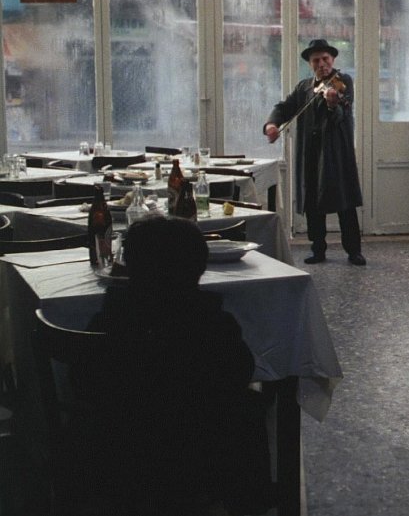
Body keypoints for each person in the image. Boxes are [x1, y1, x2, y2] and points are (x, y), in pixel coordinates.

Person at [75, 216, 273, 516]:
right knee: (247, 410)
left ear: (128, 267)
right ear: (200, 269)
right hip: (203, 448)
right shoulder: (213, 324)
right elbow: (239, 373)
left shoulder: (110, 321)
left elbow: (81, 381)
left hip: (120, 447)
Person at [264, 39, 366, 266]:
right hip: (310, 153)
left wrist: (332, 104)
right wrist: (272, 124)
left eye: (325, 59)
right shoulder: (304, 87)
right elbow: (284, 107)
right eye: (316, 60)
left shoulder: (343, 82)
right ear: (310, 64)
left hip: (336, 153)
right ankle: (318, 249)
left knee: (345, 203)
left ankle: (354, 250)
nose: (321, 64)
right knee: (312, 202)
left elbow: (340, 115)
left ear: (333, 59)